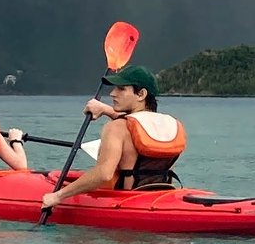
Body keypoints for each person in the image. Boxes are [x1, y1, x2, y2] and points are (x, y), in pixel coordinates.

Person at [38, 63, 187, 211]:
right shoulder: (172, 124)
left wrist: (58, 196)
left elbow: (104, 174)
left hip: (126, 203)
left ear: (141, 94)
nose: (113, 93)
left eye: (121, 89)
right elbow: (137, 122)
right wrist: (105, 109)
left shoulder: (116, 127)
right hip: (162, 196)